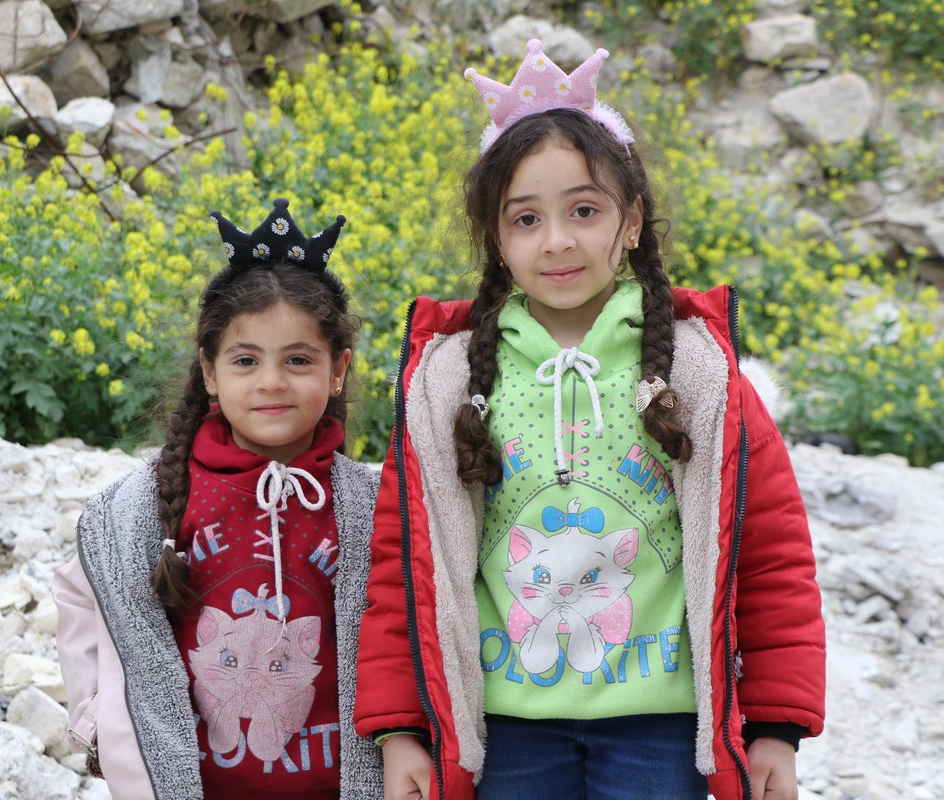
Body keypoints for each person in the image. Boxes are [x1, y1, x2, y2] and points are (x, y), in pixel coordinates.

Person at [353, 39, 825, 800]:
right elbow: (403, 569)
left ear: (631, 220)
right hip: (505, 727)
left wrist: (776, 725)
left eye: (584, 210)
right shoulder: (446, 383)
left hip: (660, 728)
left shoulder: (699, 373)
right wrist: (402, 727)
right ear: (496, 240)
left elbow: (772, 559)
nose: (559, 240)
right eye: (526, 218)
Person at [52, 198, 383, 800]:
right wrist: (95, 720)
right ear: (210, 371)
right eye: (246, 360)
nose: (272, 381)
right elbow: (83, 592)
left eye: (300, 360)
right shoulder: (141, 507)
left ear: (339, 371)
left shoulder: (372, 502)